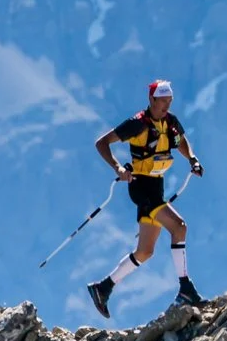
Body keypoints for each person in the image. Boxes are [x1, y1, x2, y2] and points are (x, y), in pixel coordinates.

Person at [87, 79, 205, 316]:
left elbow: (180, 142)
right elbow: (102, 143)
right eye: (163, 101)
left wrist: (192, 158)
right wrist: (118, 168)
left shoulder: (170, 122)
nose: (167, 106)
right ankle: (185, 288)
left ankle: (103, 288)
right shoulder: (137, 124)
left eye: (170, 102)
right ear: (151, 100)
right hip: (142, 188)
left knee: (145, 251)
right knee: (179, 228)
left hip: (156, 187)